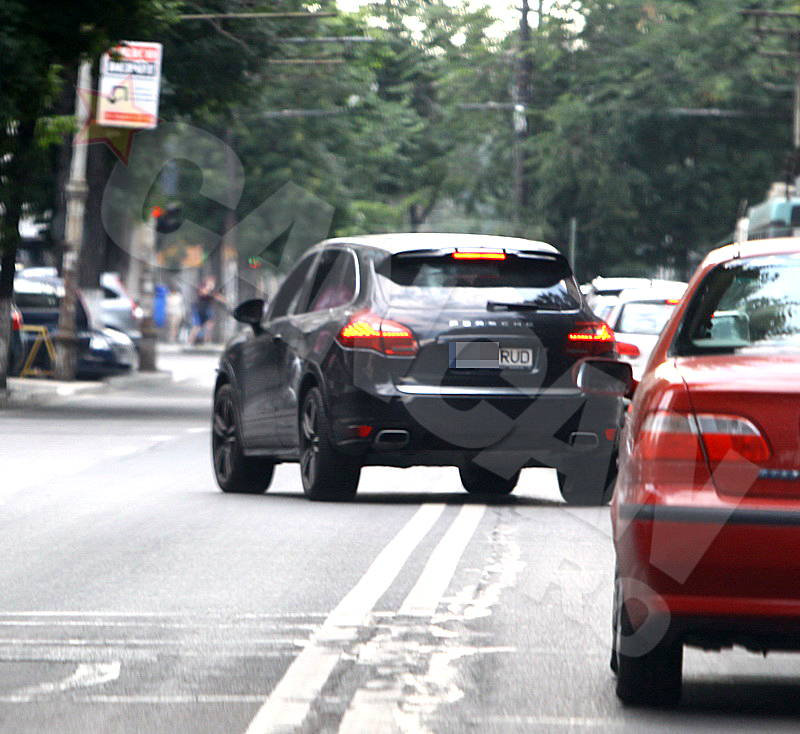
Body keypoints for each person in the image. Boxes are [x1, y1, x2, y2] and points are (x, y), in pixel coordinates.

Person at [189, 275, 223, 345]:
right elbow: (202, 293)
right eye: (211, 282)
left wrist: (224, 300)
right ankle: (190, 340)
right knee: (197, 326)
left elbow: (216, 296)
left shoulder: (212, 289)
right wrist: (208, 287)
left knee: (210, 324)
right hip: (199, 308)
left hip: (207, 308)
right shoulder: (202, 285)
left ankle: (207, 341)